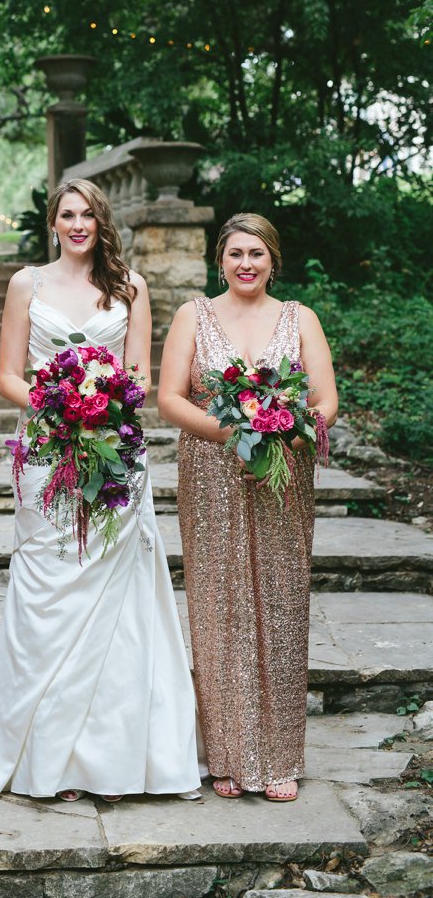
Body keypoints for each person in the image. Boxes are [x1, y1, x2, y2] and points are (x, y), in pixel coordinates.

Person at [0, 179, 201, 802]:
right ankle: (44, 756)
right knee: (49, 588)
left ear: (101, 222)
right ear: (53, 222)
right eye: (67, 214)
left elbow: (140, 375)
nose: (77, 224)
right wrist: (61, 405)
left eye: (87, 214)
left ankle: (107, 759)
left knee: (115, 599)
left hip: (115, 451)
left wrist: (103, 406)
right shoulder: (27, 285)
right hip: (45, 451)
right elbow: (8, 377)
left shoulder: (130, 288)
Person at [157, 212, 337, 803]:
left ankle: (280, 754)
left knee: (281, 606)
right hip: (211, 471)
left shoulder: (299, 318)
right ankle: (229, 755)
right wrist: (231, 432)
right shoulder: (193, 315)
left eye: (256, 254)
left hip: (282, 471)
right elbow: (169, 398)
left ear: (273, 260)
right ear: (220, 259)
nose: (246, 264)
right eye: (236, 253)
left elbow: (325, 398)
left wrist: (282, 426)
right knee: (220, 604)